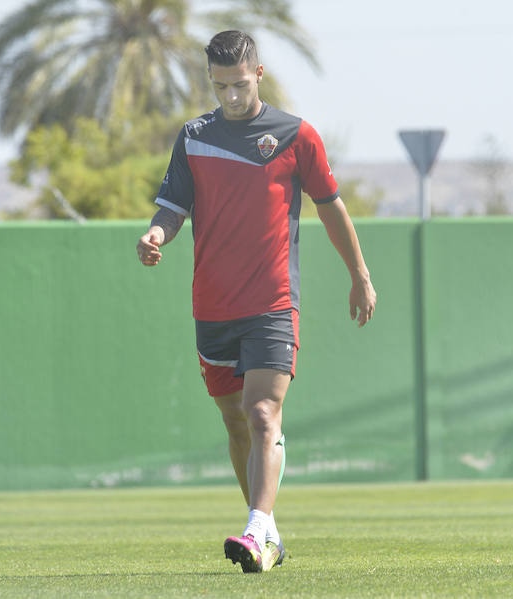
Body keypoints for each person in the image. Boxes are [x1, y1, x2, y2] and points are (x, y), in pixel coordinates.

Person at [136, 30, 376, 573]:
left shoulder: (296, 135)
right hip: (212, 307)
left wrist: (359, 275)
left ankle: (256, 528)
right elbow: (172, 208)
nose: (231, 96)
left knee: (263, 412)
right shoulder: (194, 136)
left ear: (259, 74)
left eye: (239, 85)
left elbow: (332, 207)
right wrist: (156, 234)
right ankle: (265, 529)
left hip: (272, 301)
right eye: (220, 86)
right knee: (236, 423)